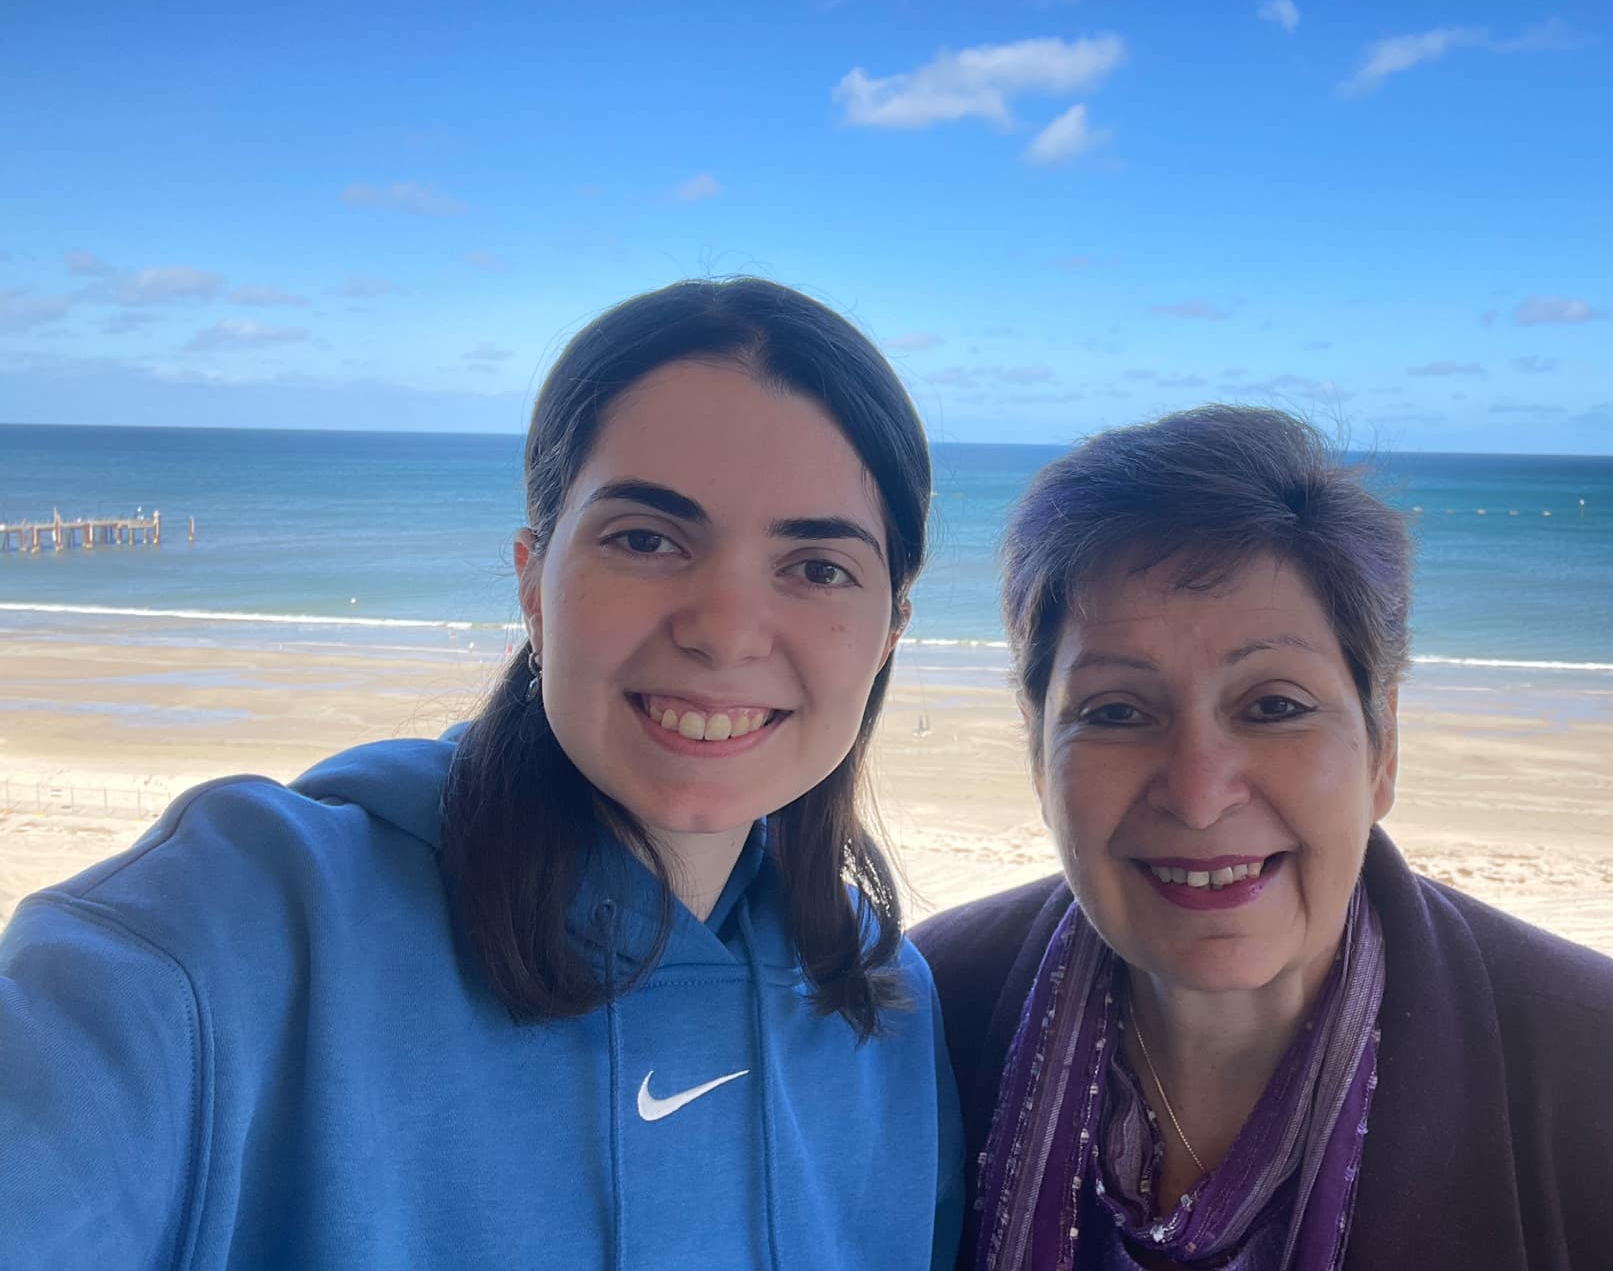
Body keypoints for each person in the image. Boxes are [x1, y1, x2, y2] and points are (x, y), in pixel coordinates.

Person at [0, 278, 963, 1269]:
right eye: (645, 538)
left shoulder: (885, 1008)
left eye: (816, 568)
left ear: (889, 628)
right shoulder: (229, 933)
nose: (722, 631)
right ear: (530, 580)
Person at [914, 406, 1613, 1271]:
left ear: (1383, 748)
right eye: (1117, 712)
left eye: (1274, 706)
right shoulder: (907, 1042)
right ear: (1040, 756)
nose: (1200, 793)